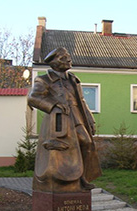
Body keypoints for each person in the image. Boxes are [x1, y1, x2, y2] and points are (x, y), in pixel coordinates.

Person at [28, 47, 101, 192]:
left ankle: (83, 179)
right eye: (63, 57)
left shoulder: (73, 79)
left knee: (86, 143)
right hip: (59, 119)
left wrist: (90, 119)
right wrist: (54, 104)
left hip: (77, 115)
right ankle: (60, 180)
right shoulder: (43, 80)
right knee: (61, 149)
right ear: (54, 63)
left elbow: (82, 100)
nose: (68, 59)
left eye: (68, 56)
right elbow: (33, 98)